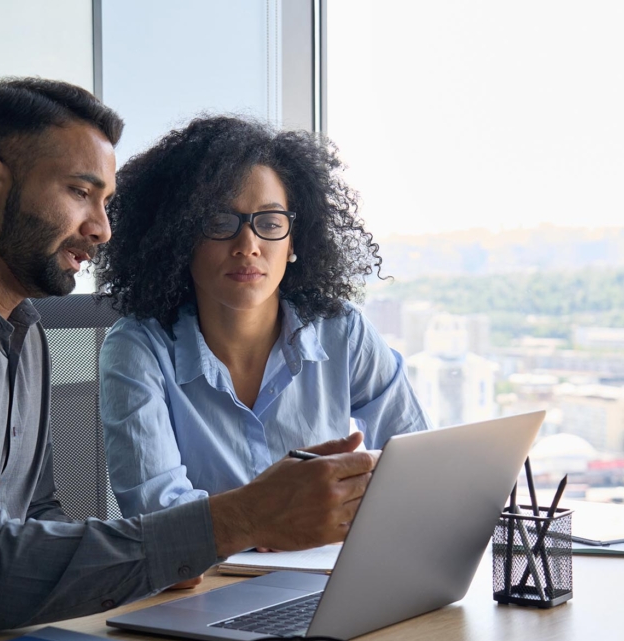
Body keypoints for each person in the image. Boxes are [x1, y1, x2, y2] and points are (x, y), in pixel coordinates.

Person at [0, 78, 377, 641]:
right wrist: (242, 517)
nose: (102, 228)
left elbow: (36, 516)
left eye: (107, 202)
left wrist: (146, 562)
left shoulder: (23, 329)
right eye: (79, 192)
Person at [97, 116, 430, 519]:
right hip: (207, 580)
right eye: (220, 222)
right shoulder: (137, 348)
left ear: (294, 241)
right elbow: (160, 516)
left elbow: (418, 463)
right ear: (180, 237)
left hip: (330, 570)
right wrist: (266, 522)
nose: (248, 245)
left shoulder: (342, 331)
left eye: (270, 223)